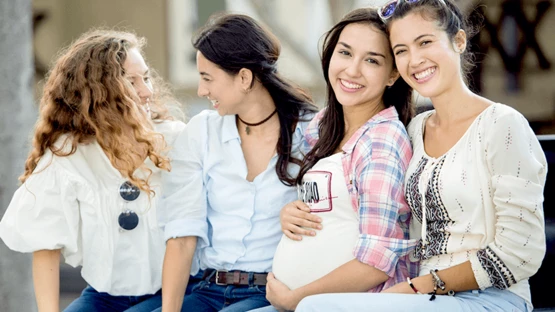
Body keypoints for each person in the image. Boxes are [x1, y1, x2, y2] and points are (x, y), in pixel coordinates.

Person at [294, 1, 548, 311]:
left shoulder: (502, 124)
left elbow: (520, 252)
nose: (414, 60)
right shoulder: (415, 129)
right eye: (401, 51)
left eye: (424, 42)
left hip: (493, 298)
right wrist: (298, 210)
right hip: (422, 297)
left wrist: (419, 286)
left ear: (458, 40)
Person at [0, 29, 186, 312]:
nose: (147, 91)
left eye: (146, 77)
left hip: (179, 292)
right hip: (104, 298)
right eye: (131, 82)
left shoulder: (176, 141)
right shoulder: (68, 154)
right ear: (98, 93)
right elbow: (45, 245)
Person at [248, 8, 417, 312]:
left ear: (393, 74)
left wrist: (295, 298)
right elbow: (331, 207)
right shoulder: (323, 126)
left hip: (354, 304)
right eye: (345, 52)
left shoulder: (382, 142)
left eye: (371, 60)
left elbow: (378, 262)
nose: (352, 70)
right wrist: (291, 212)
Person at [154, 13, 318, 312]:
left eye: (207, 78)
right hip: (207, 290)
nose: (202, 90)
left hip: (273, 292)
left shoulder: (312, 132)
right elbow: (182, 236)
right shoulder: (202, 131)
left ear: (244, 78)